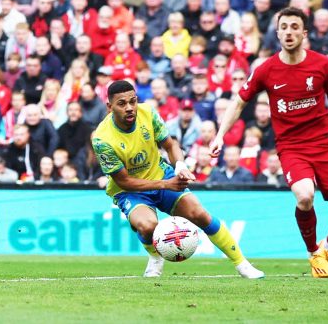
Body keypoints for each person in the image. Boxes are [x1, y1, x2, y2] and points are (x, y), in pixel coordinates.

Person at [211, 7, 328, 278]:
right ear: (277, 32)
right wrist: (220, 135)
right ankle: (312, 252)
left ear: (304, 33)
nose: (289, 32)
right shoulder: (266, 69)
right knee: (304, 195)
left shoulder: (323, 64)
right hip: (292, 147)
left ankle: (326, 249)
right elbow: (239, 102)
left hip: (325, 145)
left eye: (295, 27)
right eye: (284, 27)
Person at [92, 80, 263, 279]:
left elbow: (170, 145)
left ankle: (242, 264)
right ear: (109, 107)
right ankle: (155, 257)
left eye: (133, 101)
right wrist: (166, 184)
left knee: (200, 214)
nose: (130, 108)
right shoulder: (102, 139)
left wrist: (180, 166)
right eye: (122, 104)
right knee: (148, 227)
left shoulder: (148, 113)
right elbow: (124, 181)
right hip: (130, 190)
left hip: (161, 174)